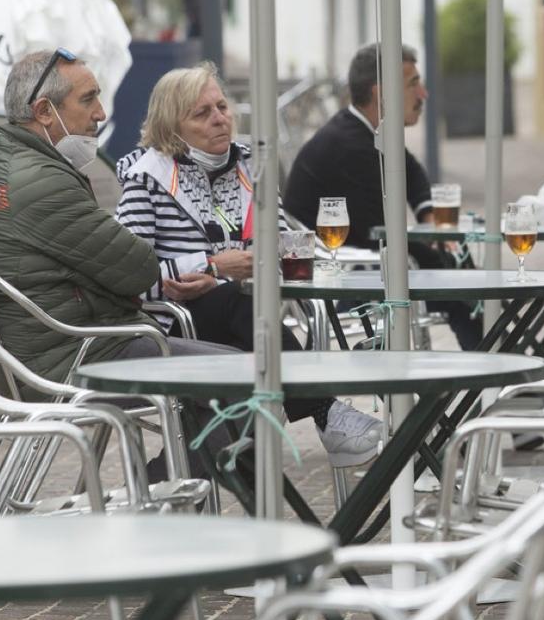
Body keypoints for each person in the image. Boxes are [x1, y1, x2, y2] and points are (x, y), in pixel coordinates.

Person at [114, 62, 383, 466]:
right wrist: (212, 268)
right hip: (174, 323)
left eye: (222, 107)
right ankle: (326, 412)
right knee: (244, 308)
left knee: (248, 345)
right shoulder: (145, 180)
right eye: (202, 113)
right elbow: (129, 278)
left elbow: (280, 246)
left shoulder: (250, 168)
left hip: (244, 316)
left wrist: (242, 266)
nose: (219, 118)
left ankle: (168, 480)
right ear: (171, 126)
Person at [284, 43, 483, 350]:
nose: (424, 94)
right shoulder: (350, 147)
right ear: (382, 94)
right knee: (465, 290)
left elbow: (411, 170)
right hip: (340, 282)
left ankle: (497, 351)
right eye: (413, 84)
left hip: (360, 268)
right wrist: (449, 261)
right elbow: (383, 235)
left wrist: (428, 214)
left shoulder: (363, 131)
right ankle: (500, 360)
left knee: (464, 279)